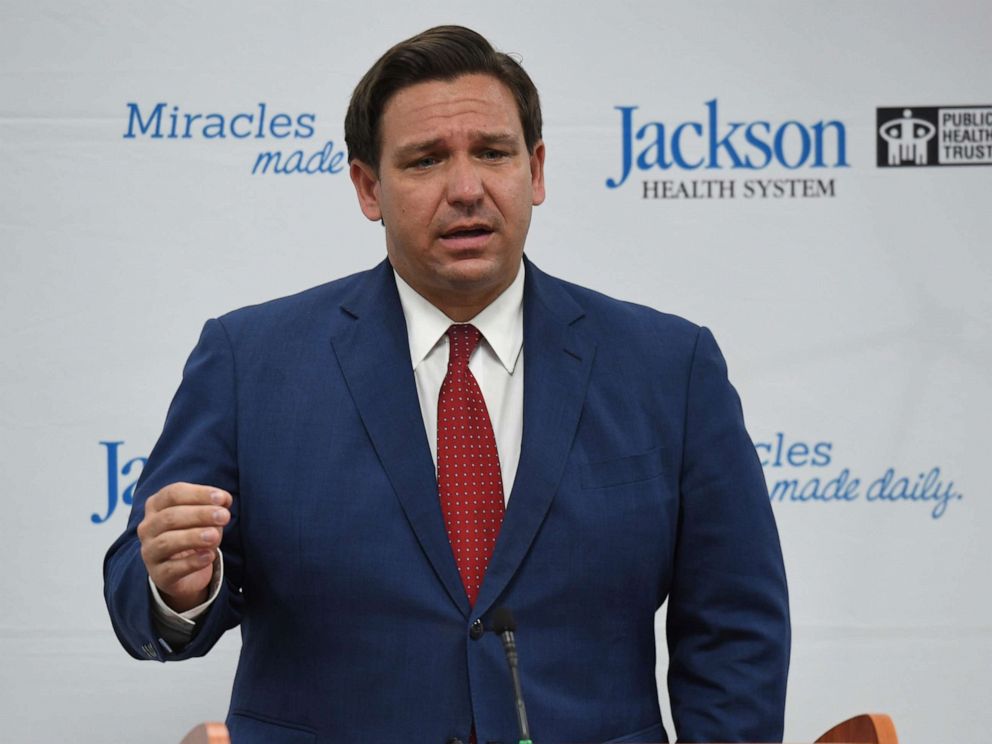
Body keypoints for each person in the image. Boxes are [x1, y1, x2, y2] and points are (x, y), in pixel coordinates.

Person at [104, 25, 789, 744]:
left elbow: (736, 629)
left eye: (492, 153)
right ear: (369, 187)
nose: (467, 190)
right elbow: (136, 590)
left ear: (538, 169)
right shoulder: (251, 361)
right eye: (427, 161)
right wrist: (176, 587)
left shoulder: (668, 367)